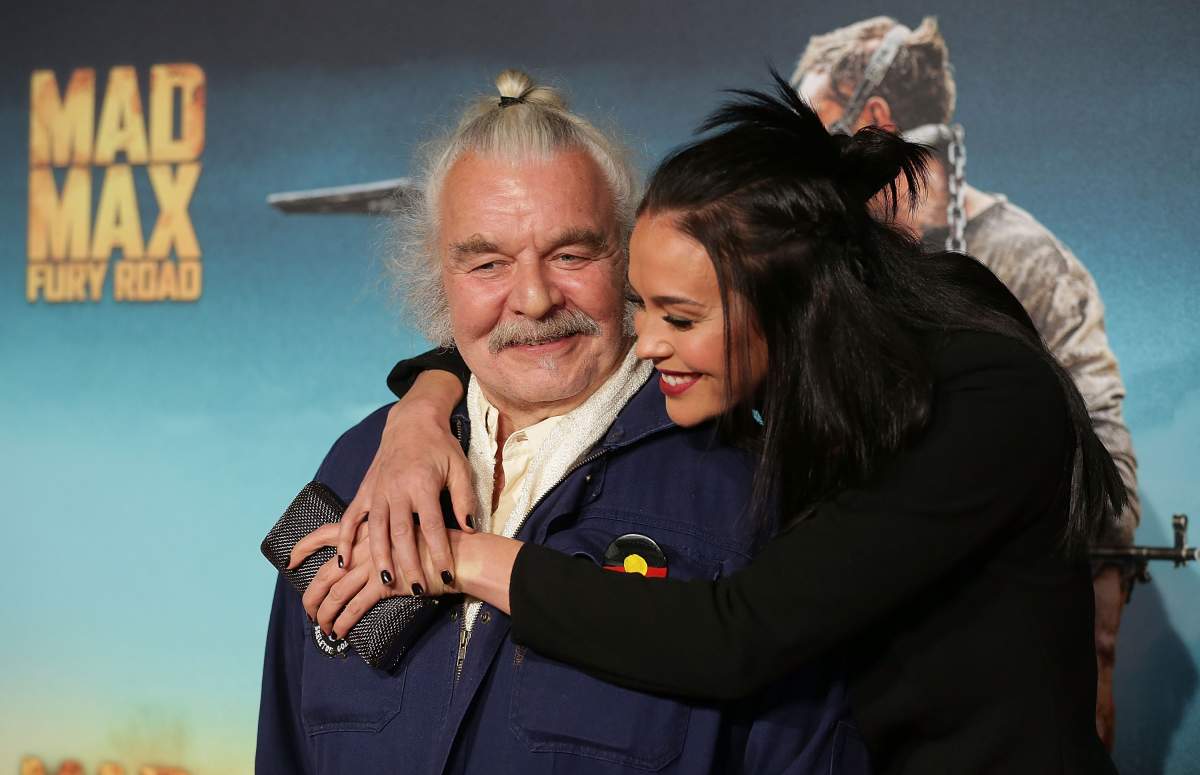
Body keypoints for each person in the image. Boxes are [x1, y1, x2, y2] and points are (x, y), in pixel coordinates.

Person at [312, 74, 1126, 773]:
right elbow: (523, 322)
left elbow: (733, 636)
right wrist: (422, 407)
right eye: (640, 305)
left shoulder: (983, 395)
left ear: (787, 303)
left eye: (678, 315)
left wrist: (454, 555)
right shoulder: (796, 363)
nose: (646, 341)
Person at [256, 69, 868, 774]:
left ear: (631, 257)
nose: (535, 298)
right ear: (438, 277)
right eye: (488, 264)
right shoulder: (360, 467)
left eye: (572, 255)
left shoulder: (744, 489)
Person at [791, 17, 1138, 747]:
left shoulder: (1028, 261)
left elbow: (1102, 459)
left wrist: (1100, 645)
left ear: (874, 118)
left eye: (815, 125)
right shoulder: (828, 264)